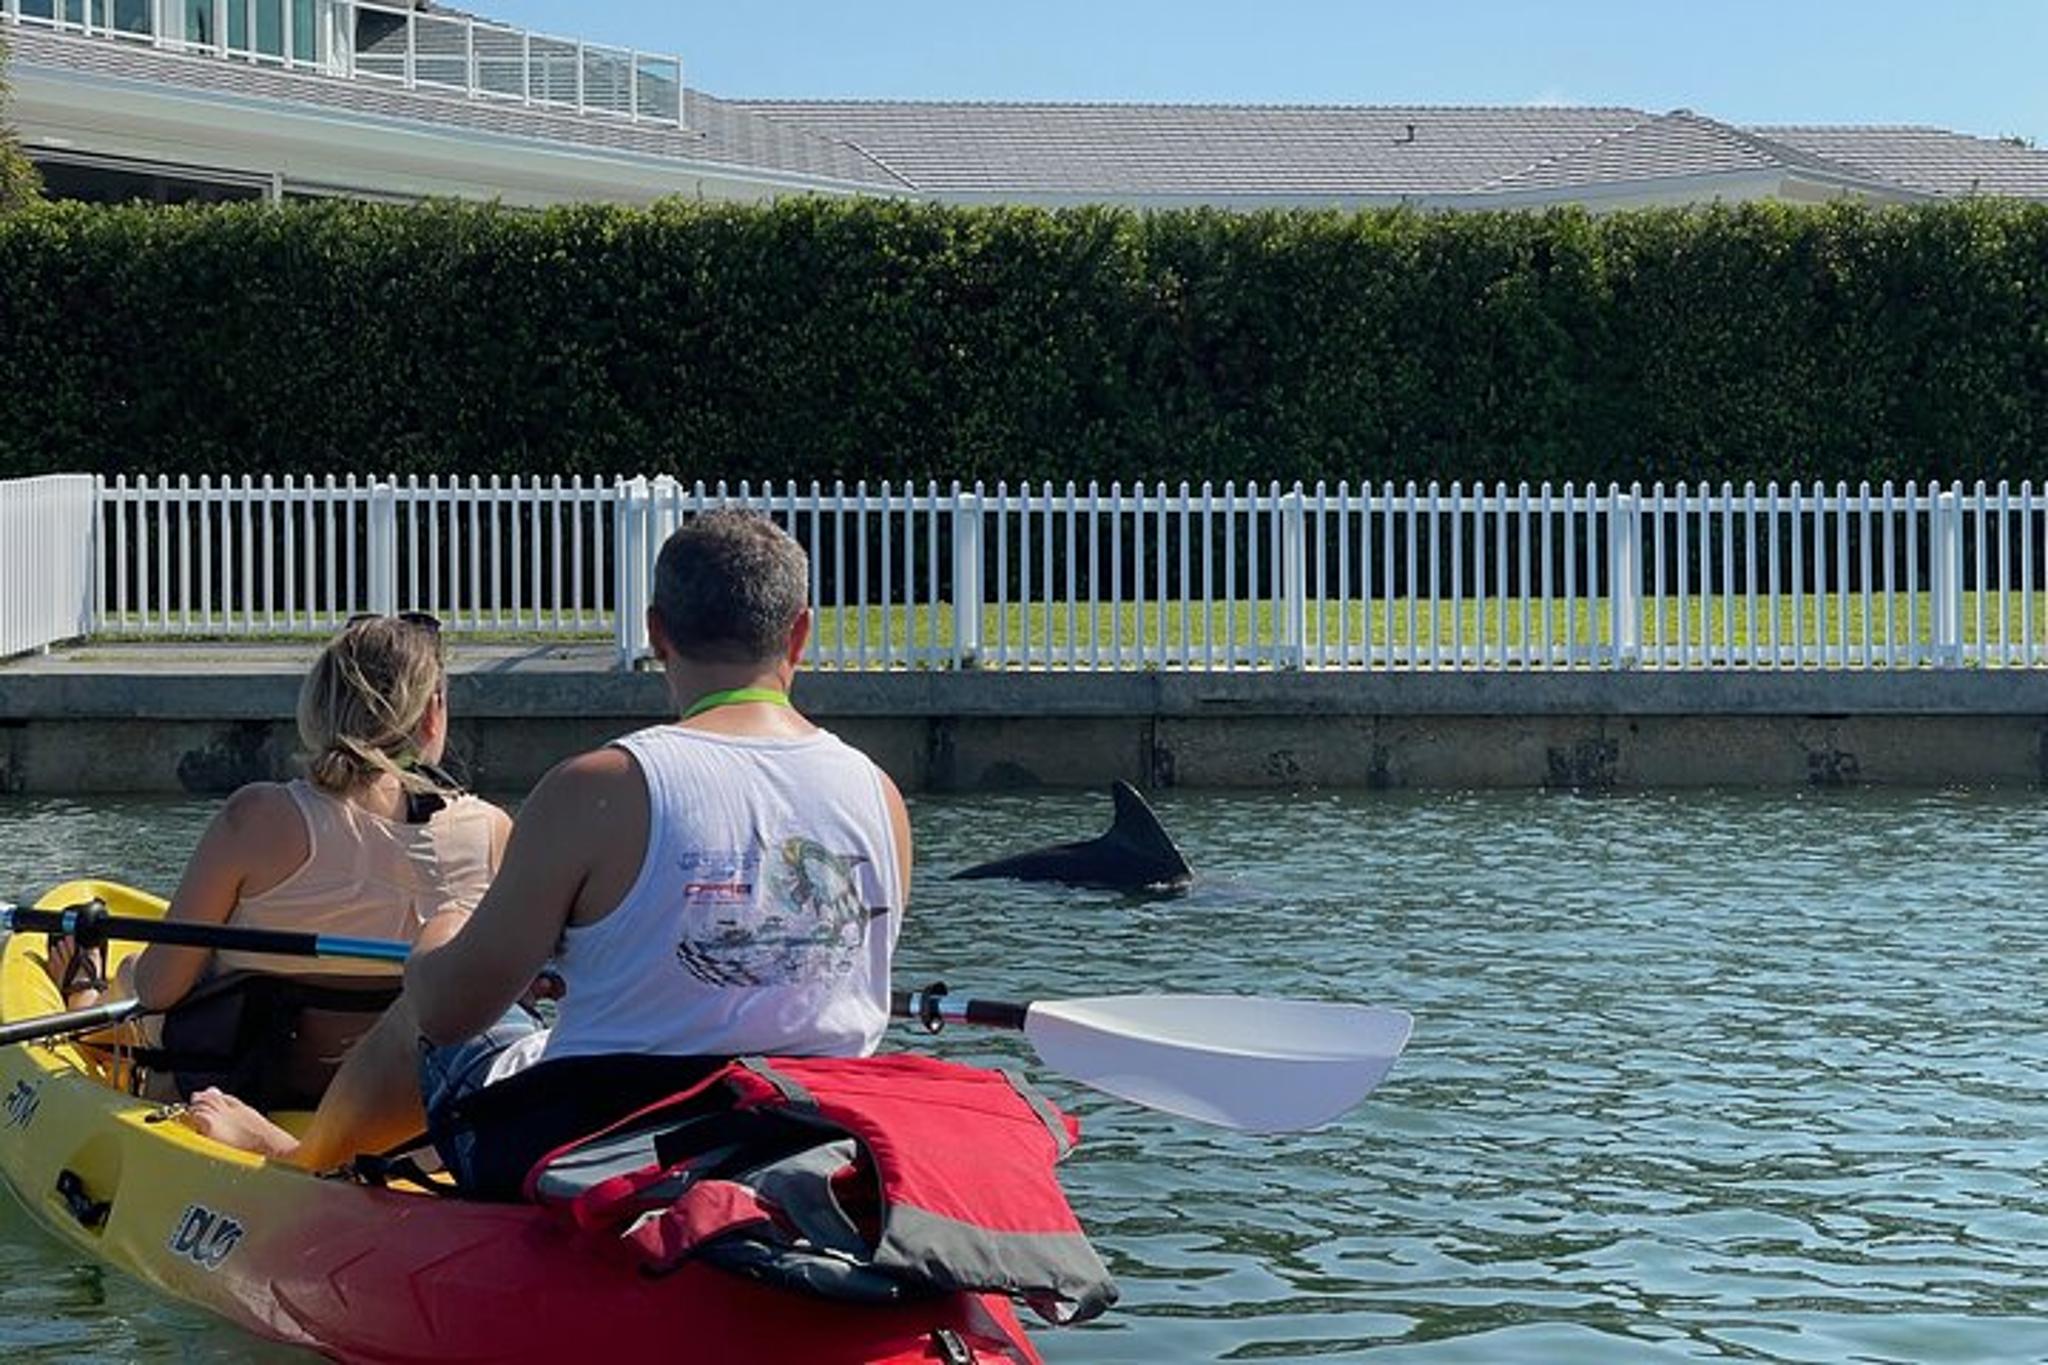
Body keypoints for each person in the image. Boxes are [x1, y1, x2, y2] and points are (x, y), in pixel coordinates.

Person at [188, 509, 913, 1198]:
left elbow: (448, 1012)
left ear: (658, 633)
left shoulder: (600, 788)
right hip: (806, 1130)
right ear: (800, 636)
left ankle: (301, 1161)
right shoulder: (881, 799)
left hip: (604, 1143)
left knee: (440, 976)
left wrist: (441, 941)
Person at [46, 614, 511, 1100]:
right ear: (432, 714)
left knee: (151, 979)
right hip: (403, 1106)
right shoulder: (493, 833)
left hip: (253, 1089)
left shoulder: (259, 816)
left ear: (319, 703)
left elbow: (160, 989)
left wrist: (109, 986)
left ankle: (83, 998)